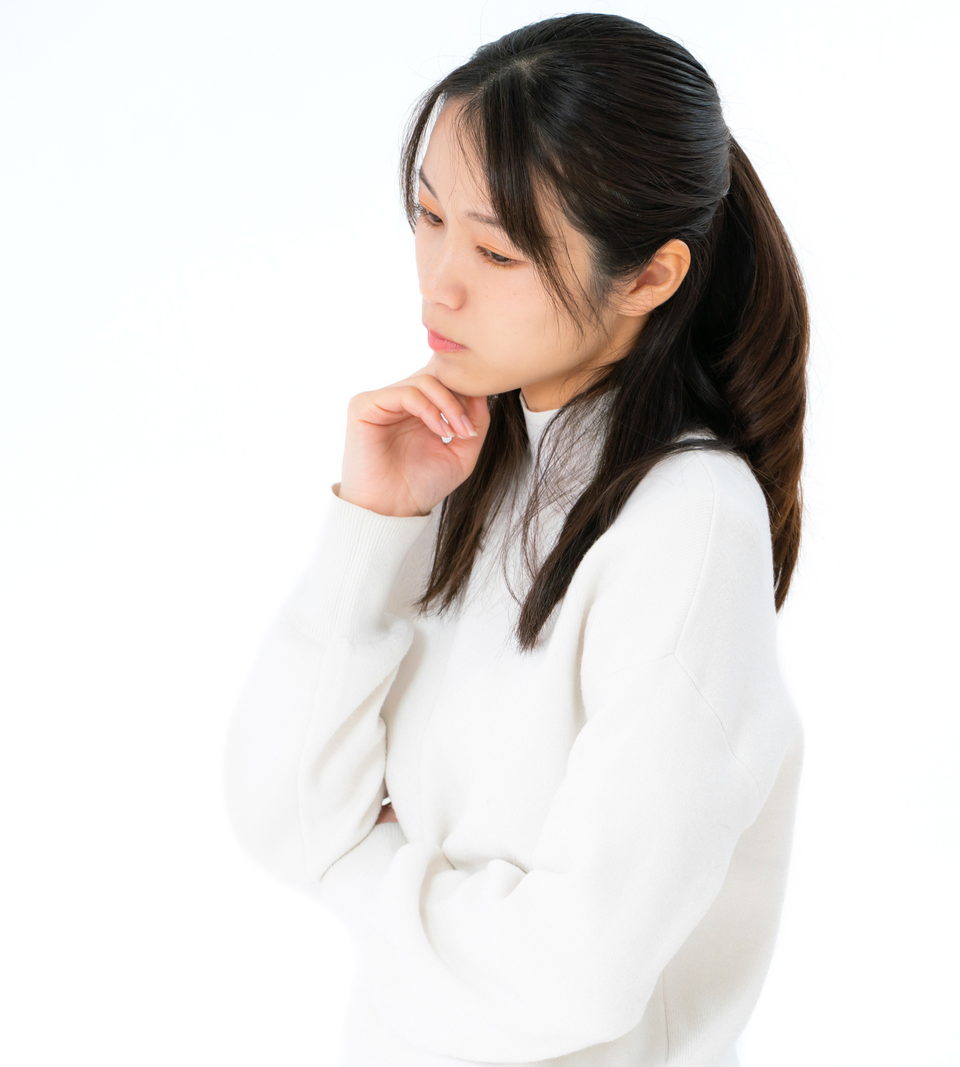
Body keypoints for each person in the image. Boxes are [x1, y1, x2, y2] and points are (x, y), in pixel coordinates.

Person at [221, 14, 808, 1066]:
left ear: (649, 276)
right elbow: (282, 809)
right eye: (428, 216)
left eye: (497, 250)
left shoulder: (689, 520)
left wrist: (359, 864)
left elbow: (573, 975)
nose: (439, 282)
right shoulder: (468, 464)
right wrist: (374, 523)